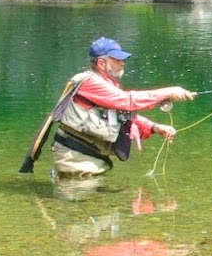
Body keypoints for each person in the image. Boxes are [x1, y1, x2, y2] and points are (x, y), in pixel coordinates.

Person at [21, 37, 196, 188]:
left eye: (121, 59)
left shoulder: (108, 86)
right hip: (76, 159)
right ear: (101, 63)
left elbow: (124, 115)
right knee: (77, 213)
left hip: (90, 159)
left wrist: (155, 128)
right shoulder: (91, 82)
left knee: (97, 214)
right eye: (116, 59)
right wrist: (167, 92)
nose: (122, 62)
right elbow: (128, 101)